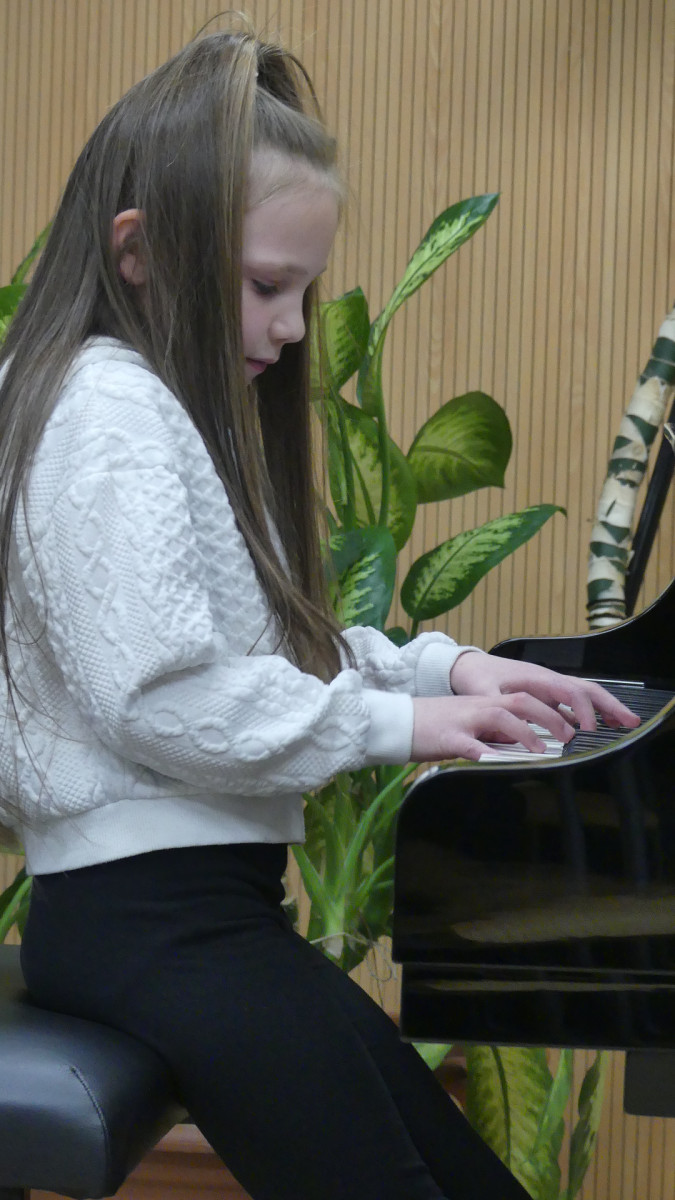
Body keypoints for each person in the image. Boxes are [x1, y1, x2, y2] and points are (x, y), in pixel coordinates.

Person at [0, 28, 638, 1200]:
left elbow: (251, 651)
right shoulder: (107, 415)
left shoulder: (152, 410)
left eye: (301, 290)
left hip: (198, 917)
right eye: (266, 287)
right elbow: (164, 697)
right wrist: (398, 727)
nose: (293, 326)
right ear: (137, 253)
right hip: (153, 927)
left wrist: (443, 672)